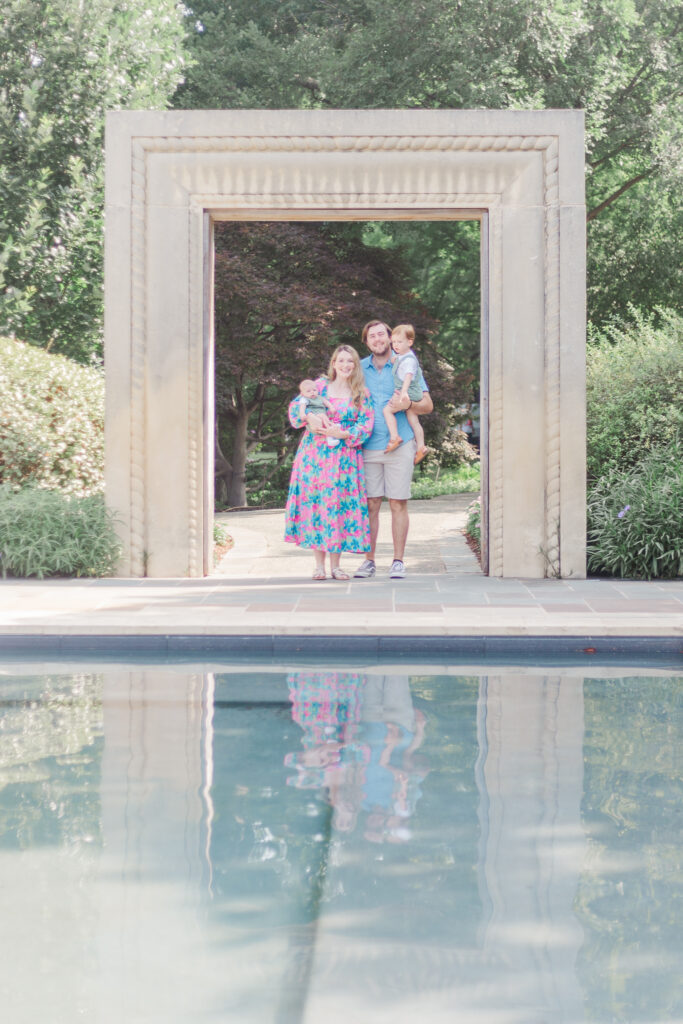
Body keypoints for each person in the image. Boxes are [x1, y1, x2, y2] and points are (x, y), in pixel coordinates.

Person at [285, 345, 374, 580]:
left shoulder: (361, 393)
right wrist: (310, 418)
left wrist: (345, 433)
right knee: (318, 506)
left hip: (345, 457)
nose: (345, 365)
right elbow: (295, 410)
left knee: (338, 507)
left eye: (350, 361)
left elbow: (366, 424)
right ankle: (319, 566)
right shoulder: (320, 386)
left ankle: (336, 566)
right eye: (341, 360)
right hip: (315, 456)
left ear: (355, 365)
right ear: (333, 363)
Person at [354, 320, 433, 580]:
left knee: (398, 502)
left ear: (390, 338)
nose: (377, 339)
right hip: (367, 446)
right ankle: (368, 561)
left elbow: (428, 405)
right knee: (371, 504)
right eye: (372, 336)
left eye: (381, 334)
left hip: (401, 445)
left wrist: (407, 404)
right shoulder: (358, 368)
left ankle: (398, 561)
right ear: (366, 342)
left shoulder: (405, 363)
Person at [383, 324, 428, 465]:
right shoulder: (404, 356)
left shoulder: (409, 360)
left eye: (399, 342)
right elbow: (399, 362)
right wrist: (395, 359)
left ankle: (394, 437)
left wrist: (403, 392)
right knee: (413, 419)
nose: (395, 345)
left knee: (387, 410)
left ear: (410, 342)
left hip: (408, 391)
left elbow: (408, 376)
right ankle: (421, 447)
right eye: (393, 342)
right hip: (412, 391)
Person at [297, 378, 339, 446]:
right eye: (308, 391)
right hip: (314, 417)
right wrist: (302, 414)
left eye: (314, 390)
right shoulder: (304, 399)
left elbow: (326, 403)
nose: (312, 392)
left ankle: (331, 429)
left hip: (322, 415)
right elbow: (302, 408)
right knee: (323, 416)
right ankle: (330, 431)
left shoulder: (319, 397)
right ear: (302, 393)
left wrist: (331, 407)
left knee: (324, 417)